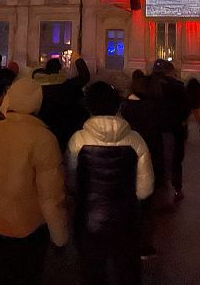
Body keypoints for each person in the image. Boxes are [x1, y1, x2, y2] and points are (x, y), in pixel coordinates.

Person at [0, 79, 68, 285]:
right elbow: (51, 197)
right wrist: (59, 235)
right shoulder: (44, 138)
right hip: (31, 228)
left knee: (3, 275)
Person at [68, 82, 153, 285]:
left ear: (88, 106)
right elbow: (145, 189)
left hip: (89, 219)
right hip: (126, 220)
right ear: (117, 106)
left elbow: (71, 181)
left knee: (93, 274)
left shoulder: (78, 140)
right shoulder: (136, 140)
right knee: (127, 274)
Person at [120, 73, 168, 258]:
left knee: (128, 201)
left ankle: (126, 240)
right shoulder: (156, 108)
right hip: (150, 157)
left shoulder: (125, 107)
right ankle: (142, 245)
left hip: (128, 157)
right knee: (146, 203)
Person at [36, 53, 91, 149]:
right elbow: (84, 76)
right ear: (59, 70)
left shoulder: (38, 88)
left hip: (45, 133)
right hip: (67, 132)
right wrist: (77, 59)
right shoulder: (67, 85)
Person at [153, 59, 189, 201]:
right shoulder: (178, 87)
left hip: (155, 128)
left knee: (156, 158)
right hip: (174, 128)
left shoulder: (150, 85)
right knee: (175, 160)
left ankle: (158, 189)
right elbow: (185, 109)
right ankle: (177, 188)